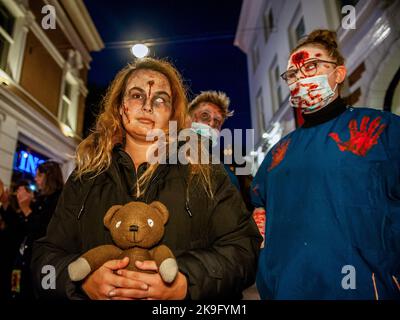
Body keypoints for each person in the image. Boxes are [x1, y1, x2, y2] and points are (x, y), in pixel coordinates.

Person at [31, 58, 261, 300]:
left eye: (160, 99)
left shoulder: (206, 174)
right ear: (121, 107)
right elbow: (44, 259)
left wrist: (186, 282)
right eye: (137, 96)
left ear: (173, 114)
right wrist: (80, 282)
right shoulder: (86, 177)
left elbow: (245, 249)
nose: (148, 106)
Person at [251, 29, 400, 300]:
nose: (301, 78)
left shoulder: (382, 129)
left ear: (339, 74)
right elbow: (260, 215)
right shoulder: (277, 154)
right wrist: (270, 278)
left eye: (310, 66)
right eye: (293, 74)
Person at [0, 161, 63, 299]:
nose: (35, 179)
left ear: (50, 177)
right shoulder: (41, 199)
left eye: (39, 175)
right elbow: (19, 228)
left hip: (38, 266)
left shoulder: (58, 201)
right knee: (16, 292)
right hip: (22, 261)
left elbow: (42, 232)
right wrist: (6, 204)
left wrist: (26, 209)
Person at [188, 90, 240, 190]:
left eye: (217, 121)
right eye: (204, 115)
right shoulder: (165, 159)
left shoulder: (225, 175)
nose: (211, 124)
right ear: (189, 119)